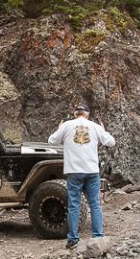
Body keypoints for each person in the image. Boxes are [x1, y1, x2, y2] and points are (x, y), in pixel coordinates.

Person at [48, 103, 116, 248]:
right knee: (95, 203)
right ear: (87, 114)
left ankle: (73, 238)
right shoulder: (95, 127)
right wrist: (103, 130)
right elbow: (111, 142)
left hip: (74, 171)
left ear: (75, 113)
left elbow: (52, 141)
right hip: (91, 170)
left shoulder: (66, 125)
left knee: (74, 204)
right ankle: (98, 236)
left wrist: (59, 129)